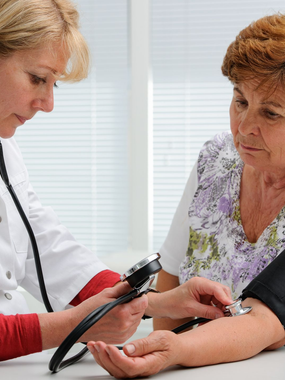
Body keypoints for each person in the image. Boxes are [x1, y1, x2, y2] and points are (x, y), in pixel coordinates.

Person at [0, 0, 235, 362]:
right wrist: (72, 325)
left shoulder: (6, 149)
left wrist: (154, 302)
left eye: (53, 85)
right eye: (37, 78)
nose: (47, 104)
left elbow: (44, 246)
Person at [87, 13, 285, 378]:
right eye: (240, 101)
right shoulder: (216, 160)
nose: (244, 128)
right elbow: (171, 275)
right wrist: (152, 357)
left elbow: (266, 320)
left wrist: (169, 353)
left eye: (271, 113)